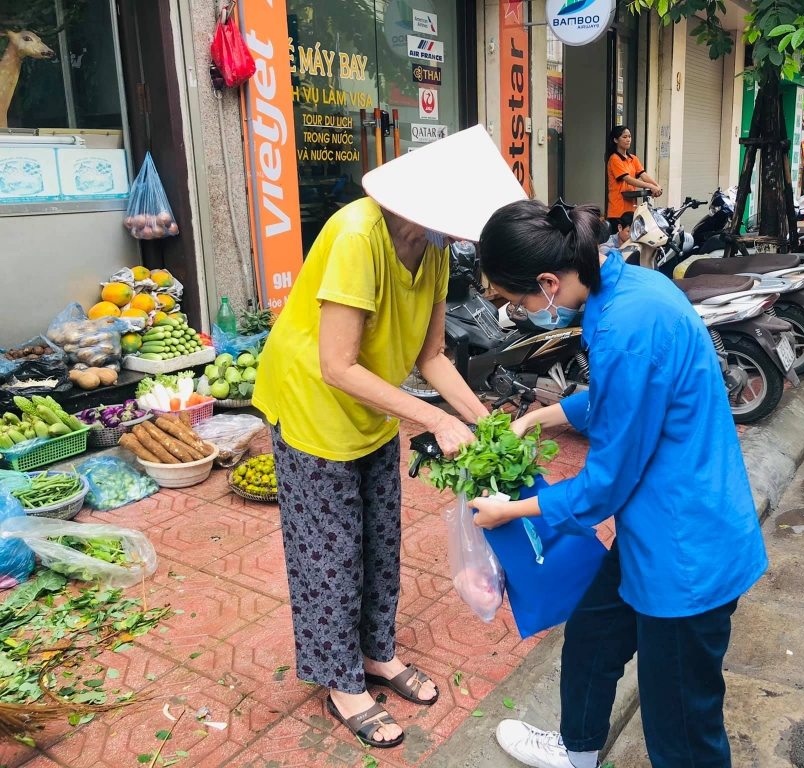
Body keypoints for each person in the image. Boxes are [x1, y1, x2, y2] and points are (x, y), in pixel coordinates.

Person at [469, 199, 769, 768]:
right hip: (654, 530)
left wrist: (517, 509)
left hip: (682, 549)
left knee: (681, 725)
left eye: (517, 300)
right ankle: (578, 752)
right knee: (593, 637)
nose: (518, 311)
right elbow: (629, 398)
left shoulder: (627, 327)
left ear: (549, 281)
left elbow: (607, 482)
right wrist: (541, 416)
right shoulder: (631, 288)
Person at [252, 127, 524, 750]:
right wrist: (431, 419)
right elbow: (336, 366)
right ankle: (340, 681)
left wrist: (481, 422)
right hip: (314, 405)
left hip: (372, 406)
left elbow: (431, 357)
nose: (461, 236)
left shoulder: (430, 253)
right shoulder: (356, 236)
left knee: (379, 538)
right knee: (329, 554)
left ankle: (376, 653)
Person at [606, 126, 662, 220]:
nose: (628, 140)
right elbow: (628, 180)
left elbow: (643, 175)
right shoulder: (614, 159)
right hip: (618, 211)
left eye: (629, 136)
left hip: (632, 209)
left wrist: (657, 186)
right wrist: (651, 187)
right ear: (616, 140)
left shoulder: (633, 158)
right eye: (624, 137)